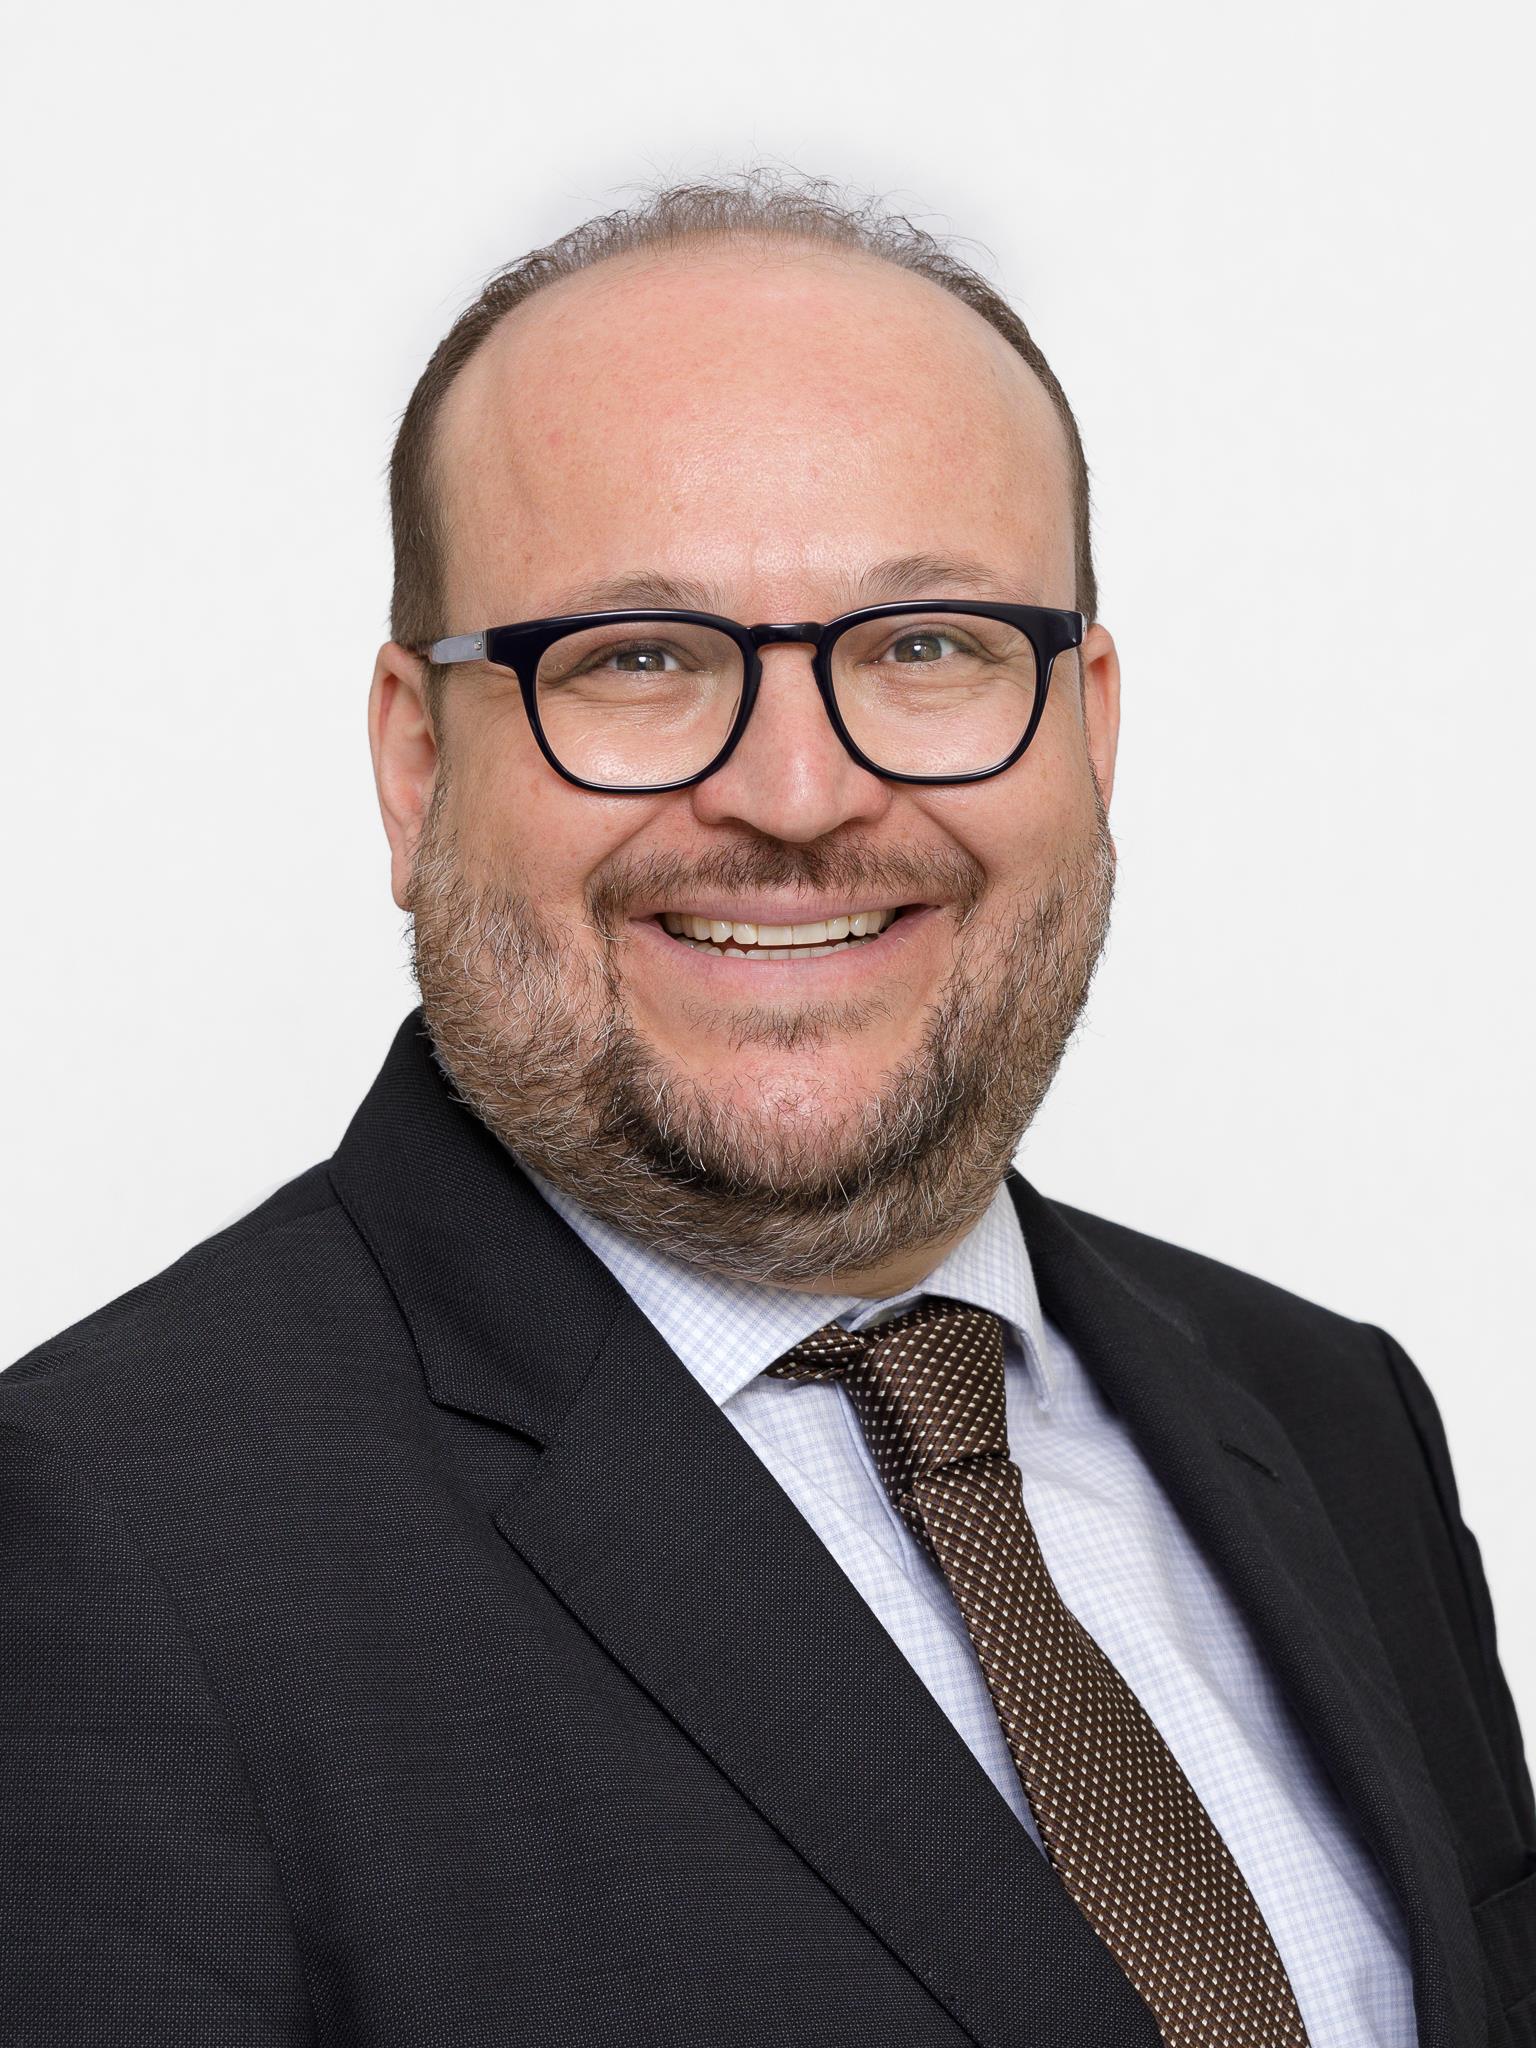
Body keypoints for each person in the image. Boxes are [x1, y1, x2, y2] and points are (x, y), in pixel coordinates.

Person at [2, 172, 1531, 2048]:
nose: (799, 795)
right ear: (415, 765)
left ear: (1090, 723)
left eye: (926, 645)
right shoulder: (108, 1551)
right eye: (638, 660)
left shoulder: (1333, 1418)